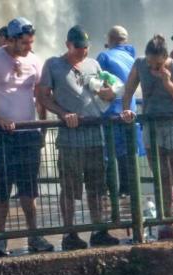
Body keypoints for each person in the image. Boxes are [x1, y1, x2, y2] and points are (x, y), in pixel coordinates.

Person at [0, 17, 54, 256]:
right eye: (25, 43)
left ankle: (34, 235)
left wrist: (43, 128)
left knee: (29, 189)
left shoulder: (35, 60)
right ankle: (1, 238)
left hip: (28, 133)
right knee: (2, 188)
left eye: (31, 42)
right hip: (0, 134)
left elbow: (40, 97)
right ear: (11, 39)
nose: (29, 47)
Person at [37, 25, 120, 250]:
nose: (83, 51)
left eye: (86, 47)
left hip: (95, 134)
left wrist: (109, 94)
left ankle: (99, 229)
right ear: (68, 45)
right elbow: (42, 96)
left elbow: (107, 90)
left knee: (97, 186)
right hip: (70, 137)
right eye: (79, 48)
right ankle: (69, 233)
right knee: (70, 187)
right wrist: (63, 114)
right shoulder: (53, 64)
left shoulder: (93, 64)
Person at [121, 35, 173, 240]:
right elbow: (128, 91)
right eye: (151, 62)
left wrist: (167, 82)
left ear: (165, 57)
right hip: (152, 125)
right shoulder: (140, 64)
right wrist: (126, 111)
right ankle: (165, 220)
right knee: (161, 176)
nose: (153, 67)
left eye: (158, 63)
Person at [97, 25, 143, 197]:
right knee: (126, 153)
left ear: (110, 40)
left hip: (110, 111)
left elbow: (98, 82)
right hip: (129, 110)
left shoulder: (104, 56)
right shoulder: (133, 58)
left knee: (108, 154)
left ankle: (110, 193)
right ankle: (127, 190)